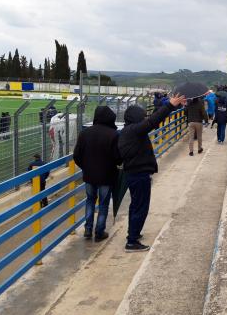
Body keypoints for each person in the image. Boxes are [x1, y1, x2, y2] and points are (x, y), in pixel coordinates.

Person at [118, 93, 186, 252]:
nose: (143, 118)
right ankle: (131, 241)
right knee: (140, 207)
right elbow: (152, 121)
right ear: (136, 118)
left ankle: (133, 233)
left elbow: (151, 121)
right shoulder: (134, 130)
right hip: (138, 174)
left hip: (134, 173)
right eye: (141, 116)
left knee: (136, 205)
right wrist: (170, 105)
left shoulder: (129, 131)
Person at [73, 106, 122, 242]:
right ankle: (99, 232)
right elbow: (118, 157)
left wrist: (85, 167)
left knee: (89, 201)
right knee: (103, 204)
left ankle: (88, 229)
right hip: (107, 176)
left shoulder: (84, 133)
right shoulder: (114, 134)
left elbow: (76, 155)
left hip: (89, 175)